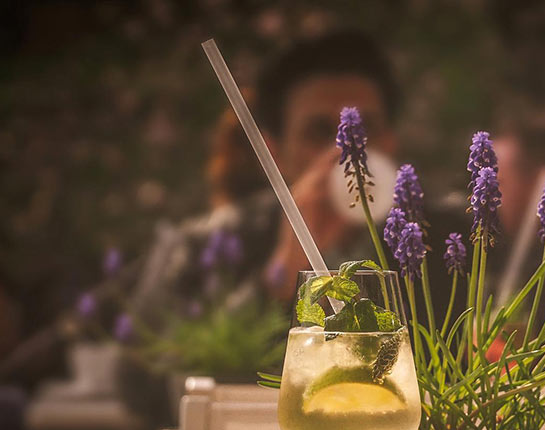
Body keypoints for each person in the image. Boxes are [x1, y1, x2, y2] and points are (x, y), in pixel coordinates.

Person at [130, 30, 401, 317]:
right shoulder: (199, 248)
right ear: (275, 153)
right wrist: (278, 281)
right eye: (319, 131)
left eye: (365, 128)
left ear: (391, 142)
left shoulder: (442, 239)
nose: (344, 152)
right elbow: (145, 360)